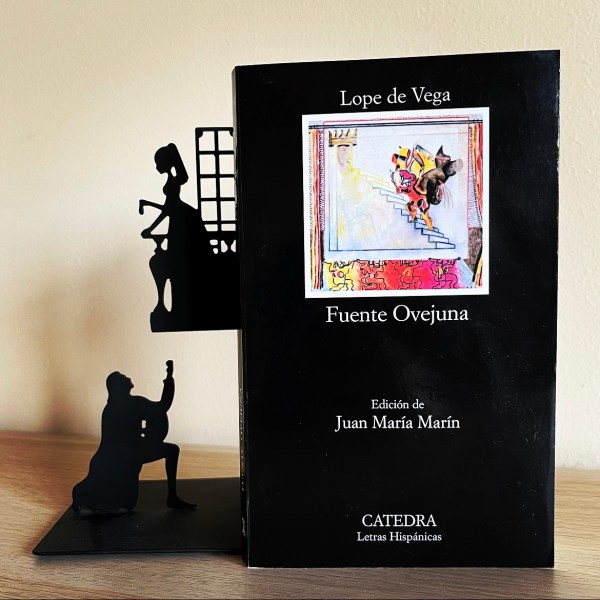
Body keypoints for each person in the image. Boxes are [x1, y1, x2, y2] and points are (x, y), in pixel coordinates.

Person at [72, 361, 195, 511]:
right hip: (125, 455)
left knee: (171, 451)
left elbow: (161, 407)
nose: (127, 377)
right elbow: (162, 407)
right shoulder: (122, 406)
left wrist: (169, 378)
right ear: (118, 386)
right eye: (123, 377)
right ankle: (171, 497)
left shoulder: (128, 403)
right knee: (124, 501)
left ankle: (172, 497)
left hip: (131, 451)